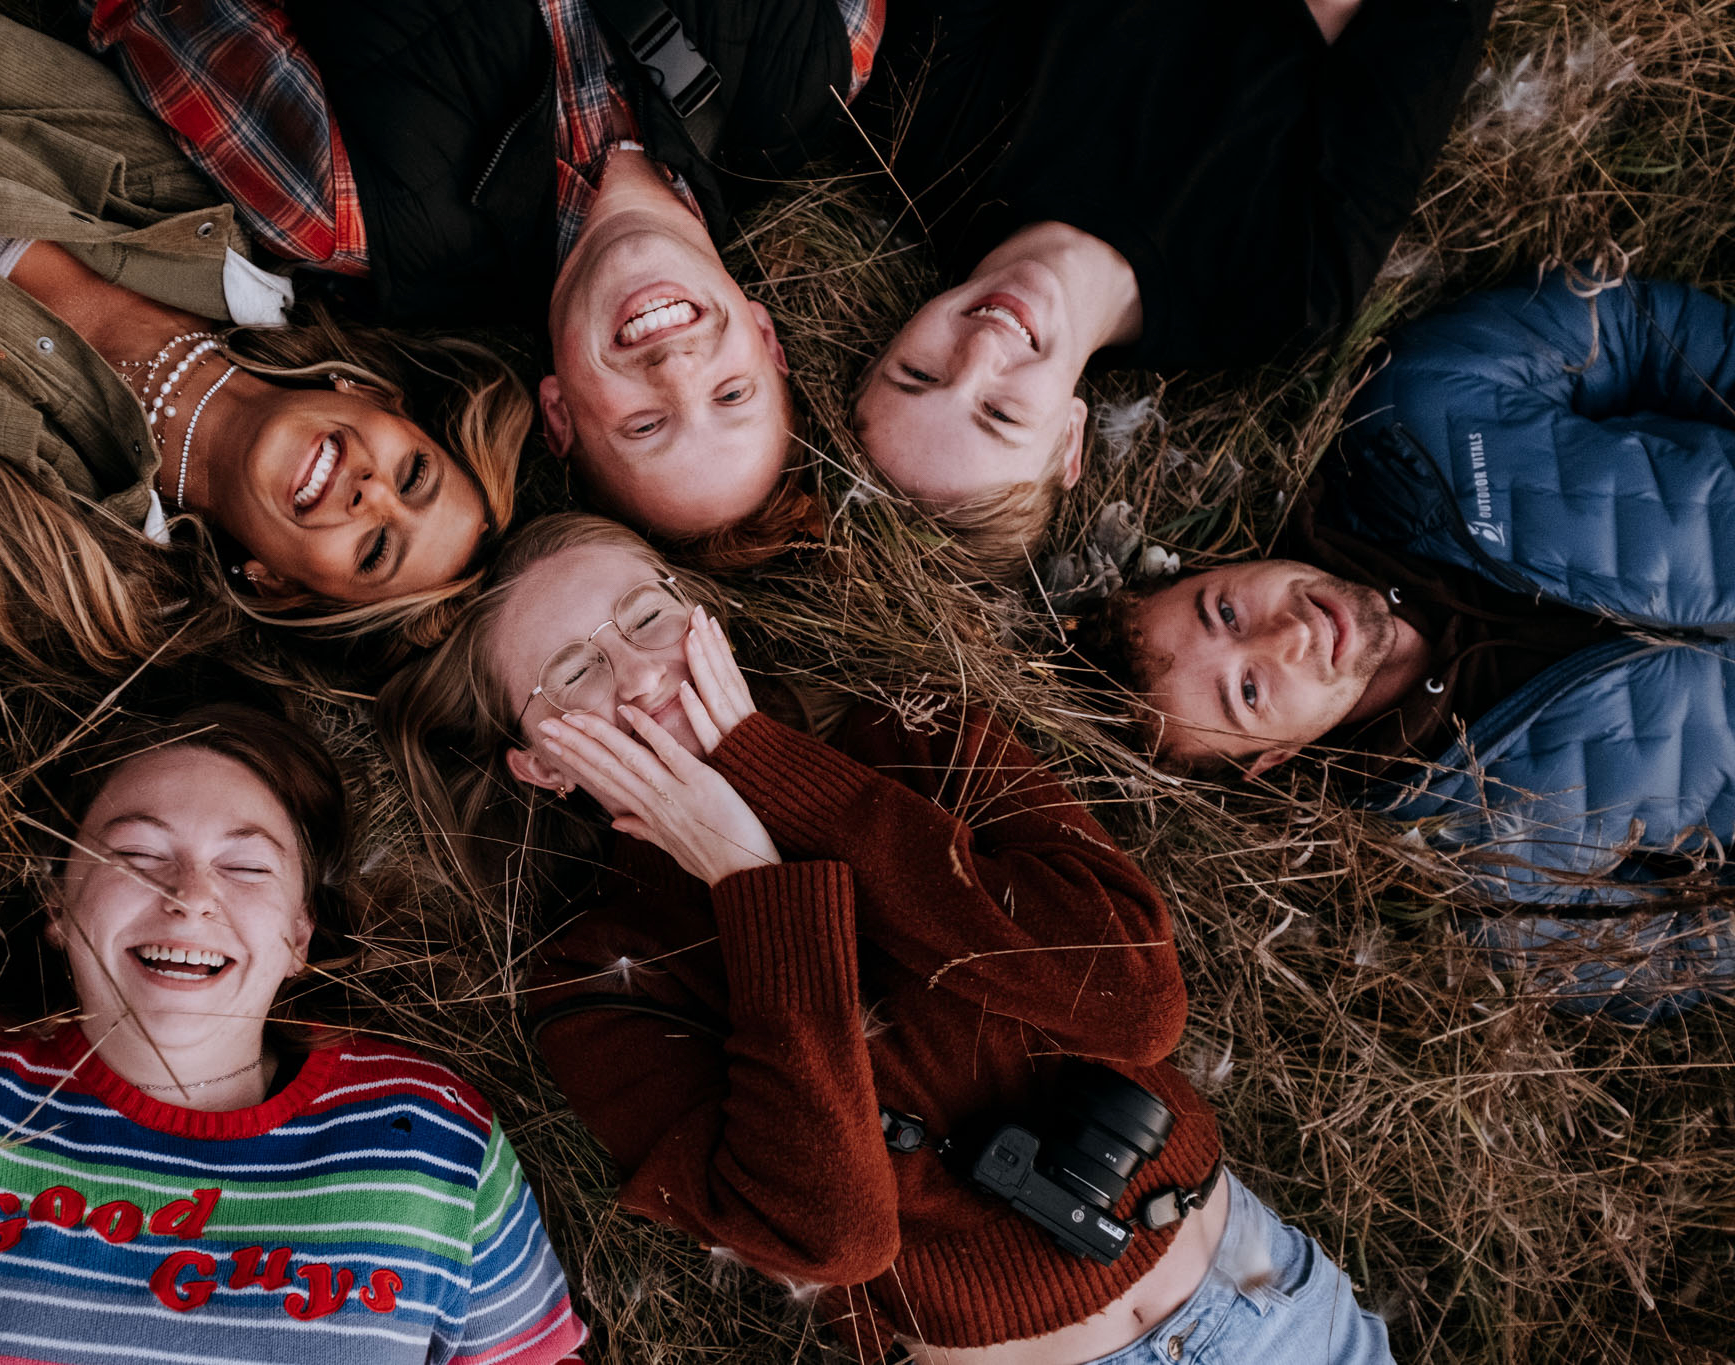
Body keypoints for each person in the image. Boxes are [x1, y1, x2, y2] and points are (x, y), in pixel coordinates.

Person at [377, 513, 1396, 1363]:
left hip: (1275, 1305)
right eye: (574, 671)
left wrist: (770, 768)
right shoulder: (594, 980)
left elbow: (1134, 1000)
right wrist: (754, 889)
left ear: (705, 618)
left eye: (647, 618)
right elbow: (830, 1234)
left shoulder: (907, 733)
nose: (642, 675)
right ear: (540, 767)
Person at [0, 702, 588, 1364]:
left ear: (300, 934)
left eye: (244, 866)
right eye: (137, 853)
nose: (191, 893)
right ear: (56, 900)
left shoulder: (430, 1139)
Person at [0, 0, 530, 670]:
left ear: (278, 589)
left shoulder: (33, 545)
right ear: (375, 398)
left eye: (376, 550)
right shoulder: (185, 212)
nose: (369, 493)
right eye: (413, 473)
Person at [1082, 270, 1735, 1021]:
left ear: (1216, 564)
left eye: (1225, 611)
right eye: (1250, 691)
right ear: (1273, 759)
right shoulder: (1491, 874)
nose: (1288, 634)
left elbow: (1626, 324)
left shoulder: (1416, 411)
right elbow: (1677, 952)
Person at [85, 0, 884, 561]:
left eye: (645, 426)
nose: (675, 371)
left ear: (560, 412)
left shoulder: (341, 207)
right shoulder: (818, 59)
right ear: (765, 335)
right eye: (731, 395)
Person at [850, 0, 1493, 577]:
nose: (982, 351)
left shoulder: (916, 137)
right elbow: (1430, 31)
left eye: (919, 373)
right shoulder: (1276, 296)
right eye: (1001, 413)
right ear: (1069, 440)